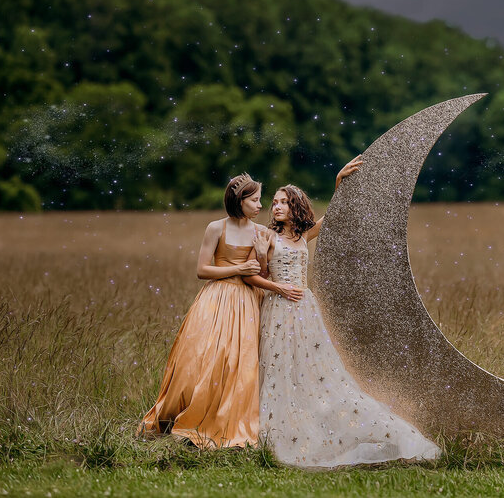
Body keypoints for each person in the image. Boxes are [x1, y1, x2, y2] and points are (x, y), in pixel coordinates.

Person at [245, 157, 440, 467]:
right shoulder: (266, 238)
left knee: (313, 369)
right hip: (277, 309)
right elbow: (255, 276)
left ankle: (315, 424)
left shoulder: (301, 237)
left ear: (296, 208)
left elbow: (333, 218)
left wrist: (339, 183)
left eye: (284, 202)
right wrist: (278, 289)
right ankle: (272, 430)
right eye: (274, 202)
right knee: (275, 367)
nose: (277, 206)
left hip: (304, 311)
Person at [138, 173, 267, 448]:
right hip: (217, 297)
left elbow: (293, 242)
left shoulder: (260, 232)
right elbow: (202, 270)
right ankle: (187, 413)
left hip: (247, 302)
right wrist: (238, 269)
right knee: (203, 357)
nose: (260, 206)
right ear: (239, 200)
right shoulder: (216, 228)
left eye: (260, 200)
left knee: (240, 363)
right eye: (254, 200)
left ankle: (228, 417)